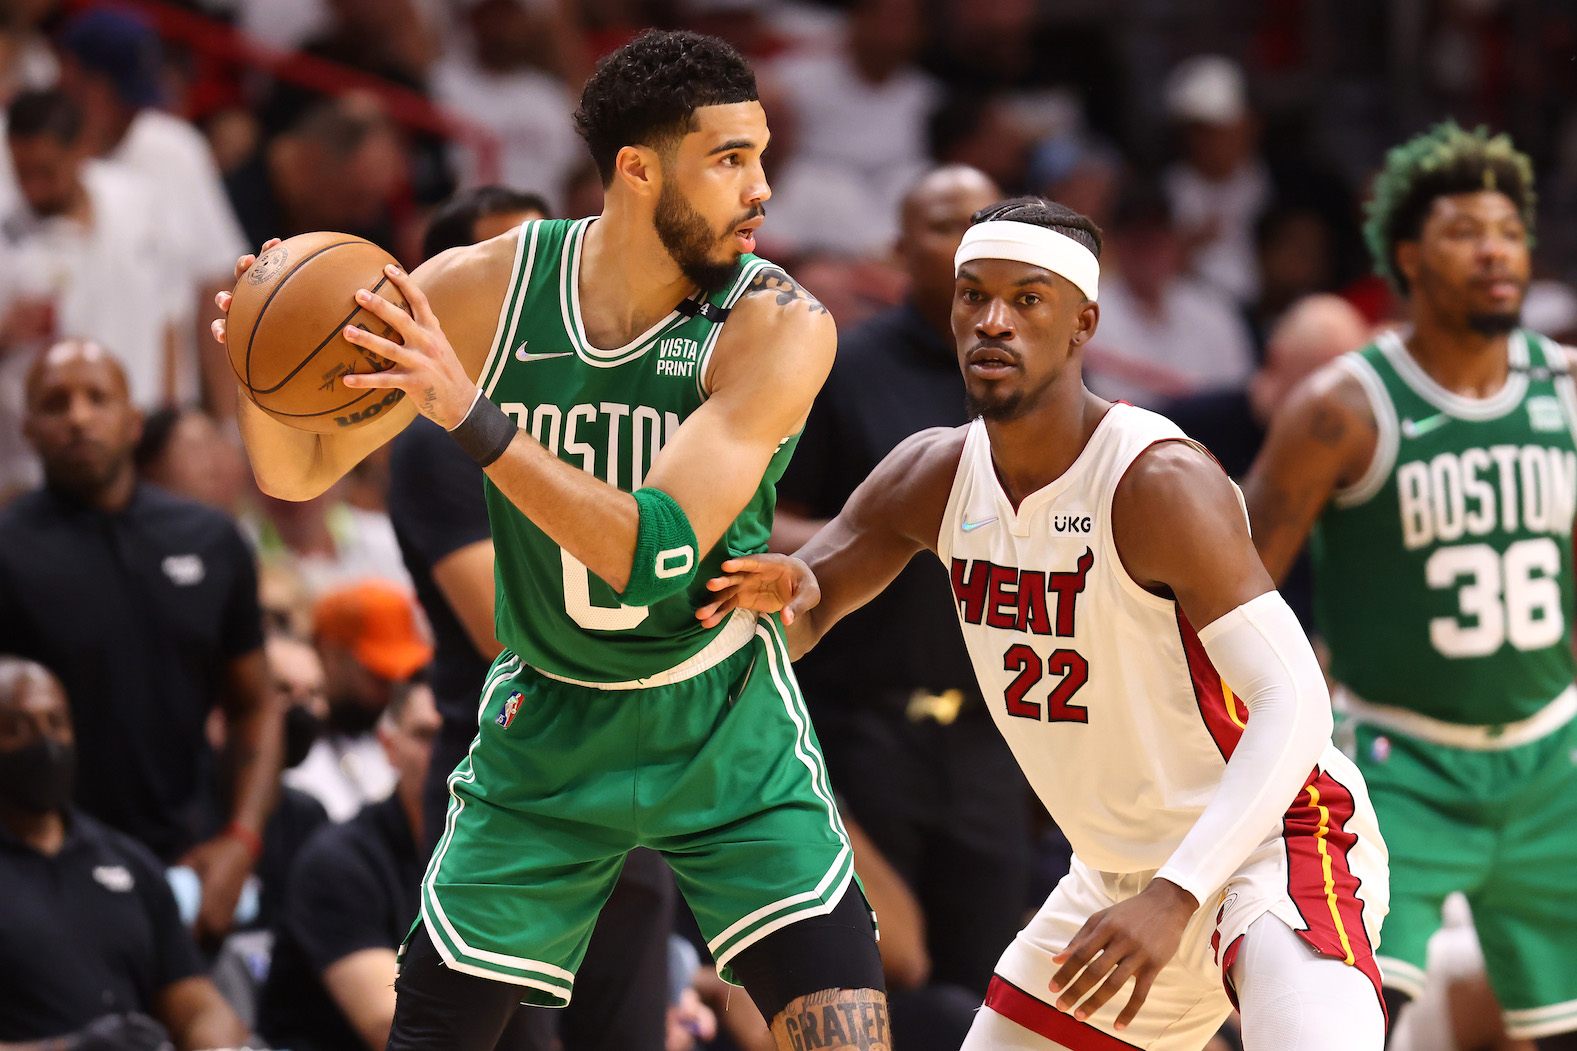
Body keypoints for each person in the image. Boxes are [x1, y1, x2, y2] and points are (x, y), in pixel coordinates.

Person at [213, 29, 887, 1051]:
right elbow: (296, 471)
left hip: (718, 717)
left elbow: (654, 551)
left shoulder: (778, 323)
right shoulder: (487, 288)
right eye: (729, 159)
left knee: (846, 1036)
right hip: (546, 726)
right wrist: (261, 367)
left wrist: (471, 412)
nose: (761, 189)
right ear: (635, 169)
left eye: (759, 155)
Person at [698, 196, 1389, 1051]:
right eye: (972, 296)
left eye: (1027, 299)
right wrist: (768, 599)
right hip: (1113, 875)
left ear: (1081, 323)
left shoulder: (1157, 480)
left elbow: (1295, 703)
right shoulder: (932, 472)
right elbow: (811, 598)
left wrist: (1174, 895)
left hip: (1270, 843)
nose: (992, 321)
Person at [1241, 121, 1577, 1049]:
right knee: (1349, 1021)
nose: (1496, 249)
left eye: (1508, 229)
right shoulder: (1341, 407)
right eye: (1466, 230)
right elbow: (1229, 583)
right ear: (1406, 257)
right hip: (1397, 763)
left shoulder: (1566, 392)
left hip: (1552, 759)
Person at [389, 183, 677, 1051]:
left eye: (547, 262)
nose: (539, 290)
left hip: (632, 767)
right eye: (506, 269)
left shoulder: (619, 413)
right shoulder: (429, 446)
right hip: (507, 770)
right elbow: (511, 627)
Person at [774, 164, 1033, 1003]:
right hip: (867, 728)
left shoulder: (1038, 379)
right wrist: (890, 535)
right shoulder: (843, 368)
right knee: (870, 977)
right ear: (895, 248)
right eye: (941, 224)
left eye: (982, 224)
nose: (965, 243)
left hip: (998, 735)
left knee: (991, 984)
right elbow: (758, 524)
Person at [0, 340, 282, 947]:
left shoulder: (211, 539)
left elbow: (256, 703)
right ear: (28, 428)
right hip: (46, 870)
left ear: (132, 421)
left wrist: (242, 840)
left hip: (191, 862)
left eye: (97, 398)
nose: (78, 416)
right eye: (56, 403)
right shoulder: (7, 550)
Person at [0, 657, 249, 1051]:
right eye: (17, 728)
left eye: (56, 723)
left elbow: (199, 1006)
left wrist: (215, 1044)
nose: (46, 743)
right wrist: (68, 1049)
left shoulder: (126, 861)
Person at [258, 680, 442, 1051]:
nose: (443, 753)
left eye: (460, 735)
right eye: (424, 735)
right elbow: (390, 1024)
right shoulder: (337, 861)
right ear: (388, 747)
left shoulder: (498, 856)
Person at [288, 580, 433, 822]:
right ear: (331, 654)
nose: (389, 692)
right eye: (378, 675)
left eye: (403, 677)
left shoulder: (400, 738)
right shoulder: (288, 743)